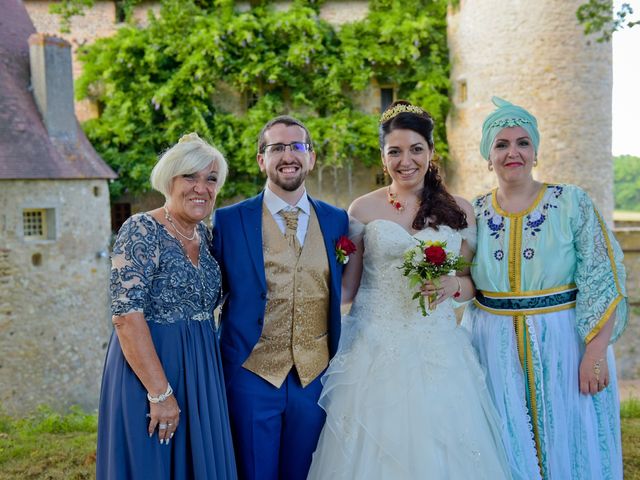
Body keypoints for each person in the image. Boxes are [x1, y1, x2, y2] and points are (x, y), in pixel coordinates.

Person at [307, 101, 511, 479]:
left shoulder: (461, 210)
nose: (406, 160)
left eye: (416, 149)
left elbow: (470, 285)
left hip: (437, 349)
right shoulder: (363, 209)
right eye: (395, 151)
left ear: (431, 153)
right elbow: (348, 290)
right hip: (373, 347)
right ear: (383, 157)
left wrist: (453, 284)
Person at [462, 97, 628, 480]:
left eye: (522, 143)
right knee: (506, 443)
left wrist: (596, 353)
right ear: (488, 155)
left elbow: (603, 277)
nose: (512, 152)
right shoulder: (474, 212)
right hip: (495, 345)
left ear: (535, 151)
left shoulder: (571, 202)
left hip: (565, 342)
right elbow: (464, 277)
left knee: (571, 438)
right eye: (501, 144)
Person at [210, 115, 349, 480]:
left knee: (307, 473)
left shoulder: (337, 221)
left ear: (311, 157)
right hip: (250, 375)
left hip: (315, 378)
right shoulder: (228, 222)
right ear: (261, 160)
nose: (288, 155)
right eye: (277, 148)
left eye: (297, 146)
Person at [96, 133, 237, 479]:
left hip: (203, 373)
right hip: (149, 375)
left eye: (211, 179)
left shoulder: (205, 236)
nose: (201, 188)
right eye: (190, 176)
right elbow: (126, 317)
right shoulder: (142, 228)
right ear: (169, 179)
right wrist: (160, 394)